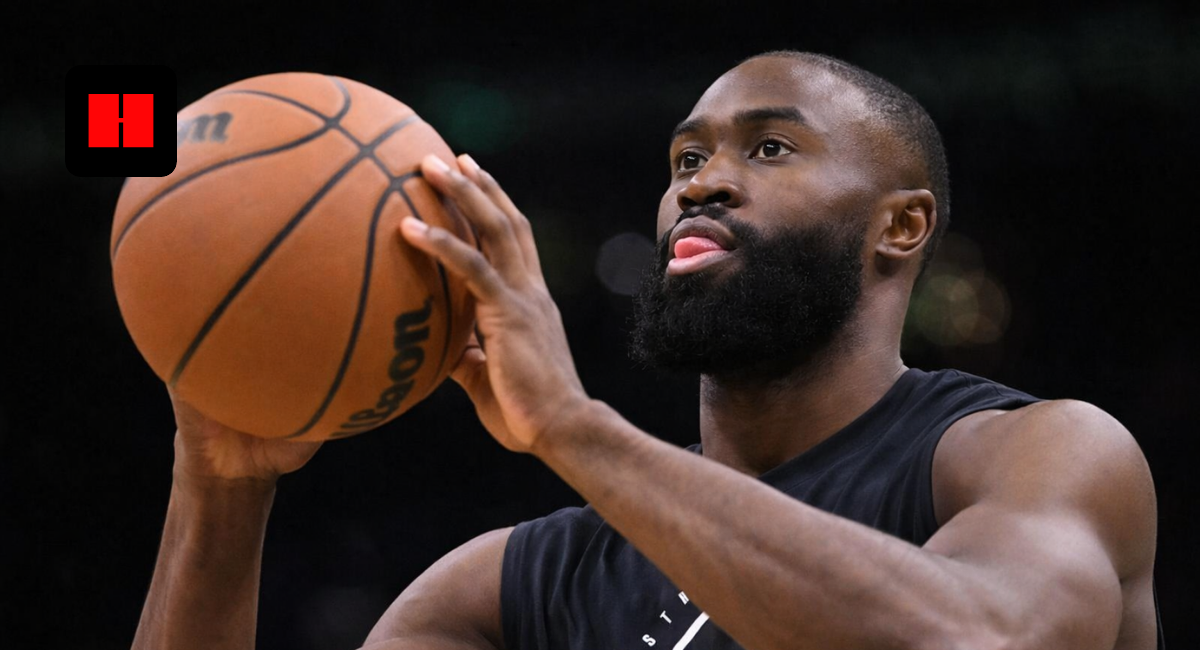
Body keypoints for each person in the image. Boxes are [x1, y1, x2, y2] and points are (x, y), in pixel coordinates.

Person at [130, 51, 1163, 650]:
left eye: (769, 147)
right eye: (685, 158)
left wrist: (572, 428)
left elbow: (978, 637)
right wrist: (222, 489)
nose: (700, 183)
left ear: (901, 225)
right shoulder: (509, 590)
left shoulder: (1031, 454)